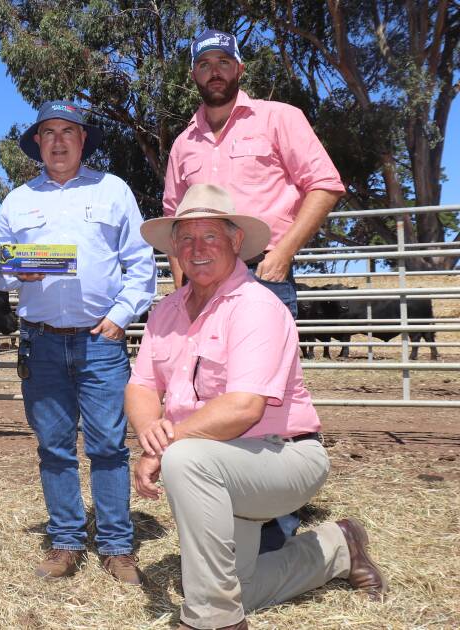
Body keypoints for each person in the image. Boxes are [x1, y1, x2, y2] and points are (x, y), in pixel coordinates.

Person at [127, 184, 385, 630]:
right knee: (228, 585)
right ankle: (339, 547)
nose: (197, 248)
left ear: (235, 242)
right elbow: (142, 384)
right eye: (186, 238)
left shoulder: (256, 306)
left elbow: (244, 408)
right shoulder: (166, 310)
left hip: (281, 457)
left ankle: (215, 621)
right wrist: (150, 427)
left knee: (185, 461)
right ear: (174, 248)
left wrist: (161, 449)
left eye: (210, 236)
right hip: (215, 463)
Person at [163, 27, 346, 552]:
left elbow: (324, 183)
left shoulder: (278, 118)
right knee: (209, 392)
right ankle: (232, 513)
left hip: (263, 274)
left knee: (263, 401)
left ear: (239, 69)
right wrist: (181, 289)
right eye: (204, 64)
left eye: (224, 61)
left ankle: (275, 522)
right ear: (194, 75)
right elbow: (176, 218)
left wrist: (282, 252)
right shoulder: (184, 142)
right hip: (201, 281)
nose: (214, 71)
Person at [0, 100, 156, 584]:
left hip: (99, 342)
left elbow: (141, 266)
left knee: (107, 445)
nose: (58, 140)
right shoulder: (17, 200)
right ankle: (65, 541)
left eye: (69, 131)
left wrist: (120, 317)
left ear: (83, 141)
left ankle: (118, 547)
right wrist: (13, 269)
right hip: (40, 343)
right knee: (54, 447)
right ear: (37, 142)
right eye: (49, 132)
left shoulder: (113, 190)